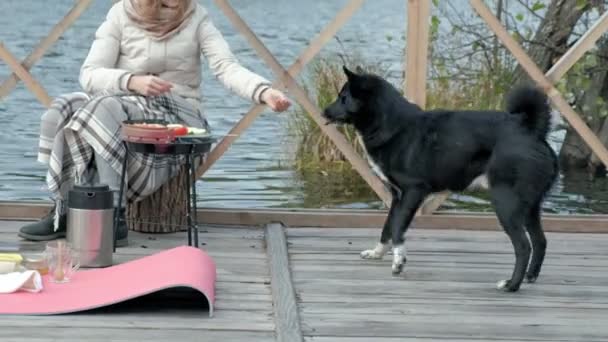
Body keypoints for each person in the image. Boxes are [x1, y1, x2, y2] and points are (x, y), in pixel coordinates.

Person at [18, 0, 291, 245]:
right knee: (64, 108)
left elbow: (226, 67)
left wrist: (264, 91)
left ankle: (115, 214)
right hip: (125, 98)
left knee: (103, 107)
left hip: (178, 112)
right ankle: (65, 209)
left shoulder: (197, 17)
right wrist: (131, 81)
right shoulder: (120, 14)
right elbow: (90, 74)